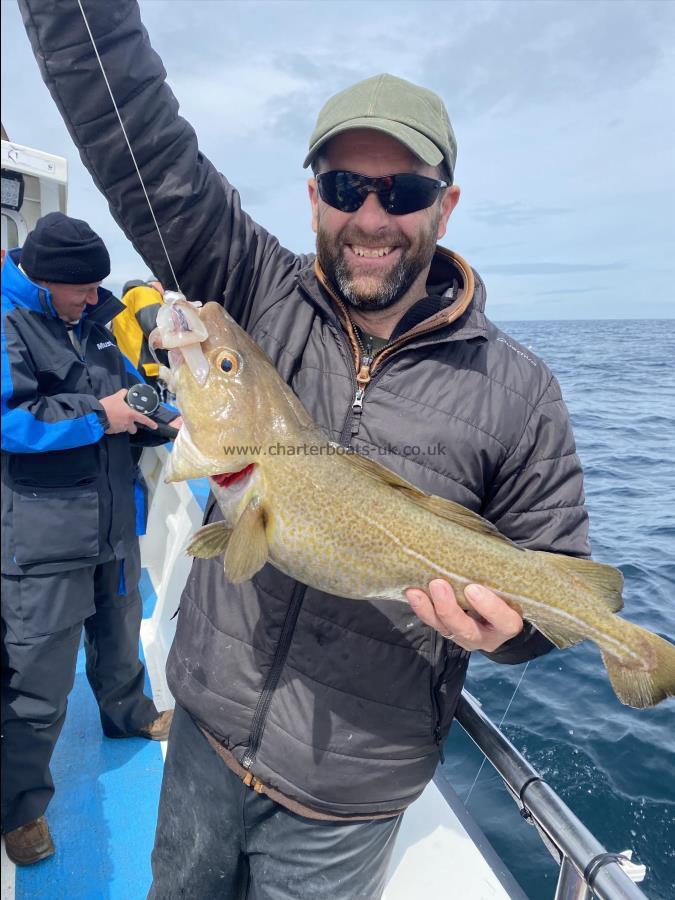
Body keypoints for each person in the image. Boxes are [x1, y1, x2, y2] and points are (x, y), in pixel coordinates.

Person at [20, 3, 591, 896]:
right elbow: (134, 128)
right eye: (343, 186)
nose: (372, 216)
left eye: (401, 192)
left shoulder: (520, 395)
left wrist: (512, 633)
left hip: (347, 802)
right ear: (313, 194)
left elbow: (554, 586)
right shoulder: (254, 286)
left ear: (445, 204)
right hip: (203, 741)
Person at [1, 212, 179, 866]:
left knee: (119, 631)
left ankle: (127, 713)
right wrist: (96, 418)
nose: (92, 297)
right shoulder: (8, 323)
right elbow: (10, 422)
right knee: (37, 680)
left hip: (112, 521)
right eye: (81, 288)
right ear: (43, 280)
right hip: (44, 534)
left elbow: (128, 388)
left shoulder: (97, 323)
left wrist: (163, 419)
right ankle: (19, 810)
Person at [112, 278, 167, 393]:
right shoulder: (145, 293)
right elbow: (159, 333)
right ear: (158, 282)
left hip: (127, 371)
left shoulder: (124, 301)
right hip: (146, 373)